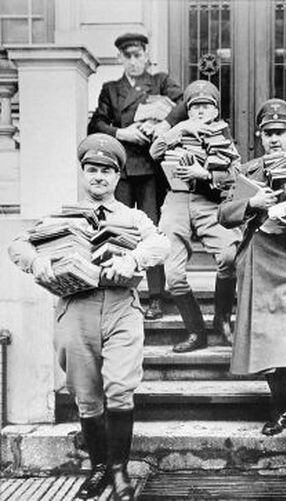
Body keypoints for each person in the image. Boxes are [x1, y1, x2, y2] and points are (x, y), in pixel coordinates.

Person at [9, 133, 171, 500]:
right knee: (86, 395)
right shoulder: (61, 217)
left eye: (107, 171)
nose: (98, 177)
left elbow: (161, 243)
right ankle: (99, 467)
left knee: (120, 387)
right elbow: (18, 244)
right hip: (75, 308)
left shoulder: (133, 217)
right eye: (92, 169)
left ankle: (119, 473)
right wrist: (39, 262)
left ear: (118, 177)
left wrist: (131, 259)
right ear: (83, 173)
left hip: (119, 308)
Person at [218, 99, 286, 447]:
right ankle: (282, 410)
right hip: (262, 258)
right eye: (268, 133)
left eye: (281, 132)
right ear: (259, 135)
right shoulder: (249, 171)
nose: (275, 139)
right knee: (269, 338)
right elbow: (225, 213)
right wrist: (253, 204)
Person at [88, 30, 185, 321]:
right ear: (120, 58)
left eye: (138, 55)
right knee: (118, 230)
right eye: (127, 56)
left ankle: (156, 297)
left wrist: (165, 125)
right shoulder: (111, 88)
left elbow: (184, 104)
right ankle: (119, 293)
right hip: (123, 171)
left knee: (151, 230)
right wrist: (122, 132)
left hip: (151, 170)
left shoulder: (160, 81)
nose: (133, 61)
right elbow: (96, 124)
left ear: (146, 55)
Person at [150, 80, 241, 353]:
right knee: (173, 271)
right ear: (188, 111)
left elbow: (234, 175)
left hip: (208, 201)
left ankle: (222, 320)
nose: (200, 112)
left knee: (228, 255)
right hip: (177, 198)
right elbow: (154, 153)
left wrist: (206, 174)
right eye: (195, 107)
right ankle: (195, 332)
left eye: (206, 106)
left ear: (215, 111)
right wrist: (178, 128)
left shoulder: (222, 136)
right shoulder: (179, 130)